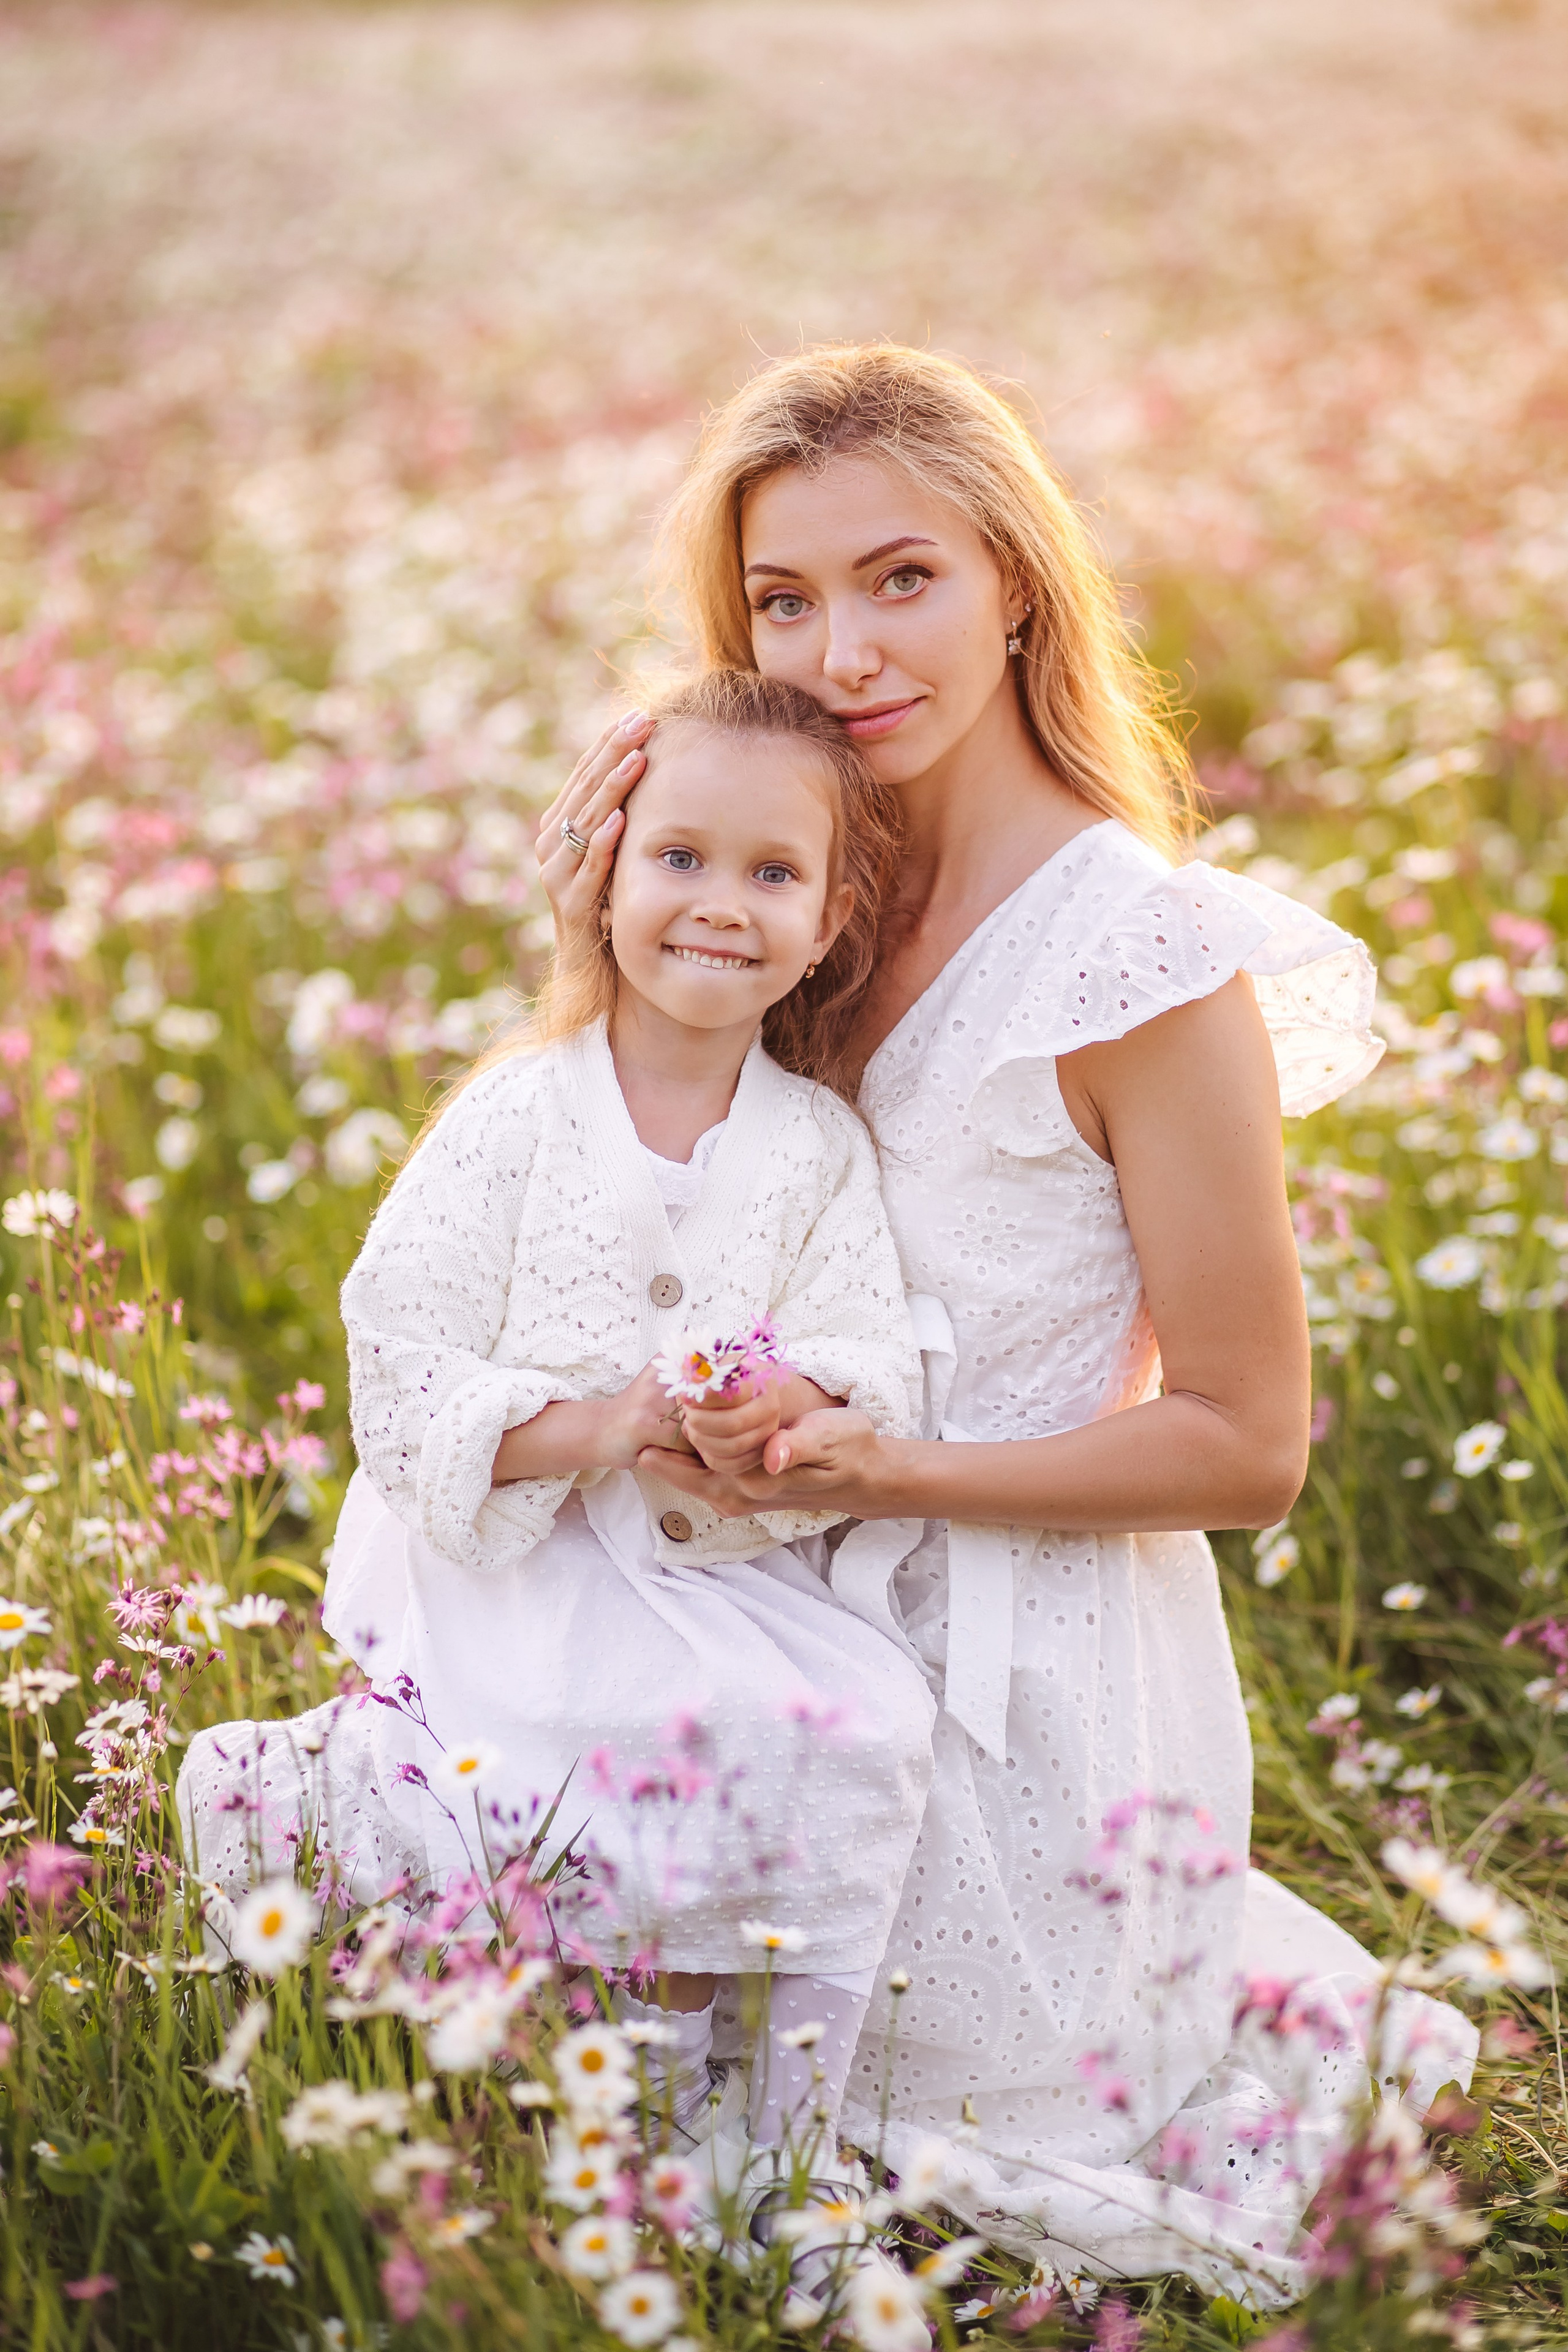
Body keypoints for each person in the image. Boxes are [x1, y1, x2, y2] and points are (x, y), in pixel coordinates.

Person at [536, 344, 1479, 2304]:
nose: (845, 650)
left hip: (1013, 1677)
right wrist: (606, 950)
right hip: (739, 1598)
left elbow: (1245, 1441)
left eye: (904, 580)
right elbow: (599, 1228)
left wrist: (898, 1464)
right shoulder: (798, 878)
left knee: (781, 2124)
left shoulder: (1135, 962)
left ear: (1018, 585)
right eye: (783, 601)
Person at [178, 669, 938, 2157]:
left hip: (710, 1563)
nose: (719, 904)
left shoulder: (815, 1146)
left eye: (771, 873)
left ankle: (789, 2143)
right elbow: (399, 1355)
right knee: (610, 1729)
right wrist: (596, 1428)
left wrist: (784, 1411)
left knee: (863, 1726)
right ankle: (637, 2095)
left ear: (831, 920)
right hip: (526, 1560)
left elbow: (865, 1354)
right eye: (678, 858)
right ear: (602, 873)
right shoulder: (518, 1116)